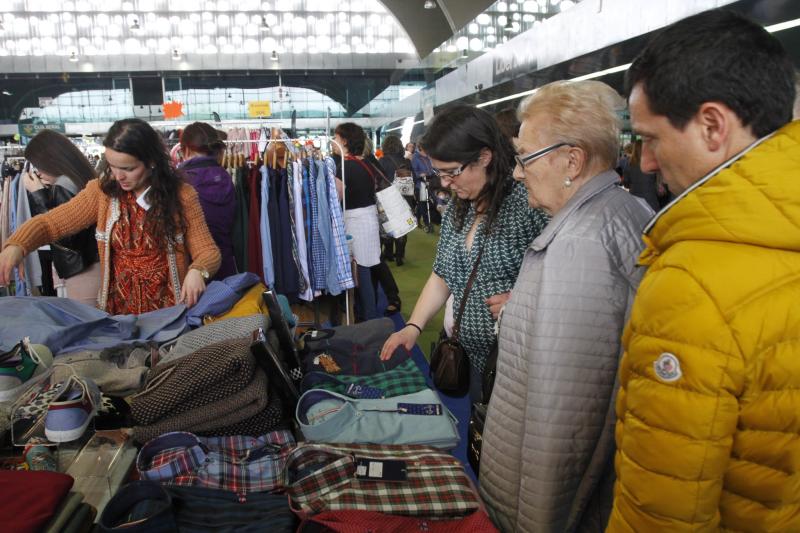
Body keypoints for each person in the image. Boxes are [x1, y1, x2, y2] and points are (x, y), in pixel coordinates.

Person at [608, 10, 799, 532]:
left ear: (713, 125)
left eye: (650, 137)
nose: (645, 163)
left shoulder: (693, 285)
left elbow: (661, 512)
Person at [478, 80, 653, 533]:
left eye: (525, 158)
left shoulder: (577, 246)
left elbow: (562, 428)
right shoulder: (622, 210)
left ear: (572, 161)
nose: (517, 173)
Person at [380, 105, 549, 400]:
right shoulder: (459, 208)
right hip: (466, 358)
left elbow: (565, 283)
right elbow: (442, 274)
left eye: (451, 172)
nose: (445, 183)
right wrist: (413, 327)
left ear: (484, 157)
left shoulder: (528, 206)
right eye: (439, 173)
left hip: (514, 364)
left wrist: (524, 300)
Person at [0, 118, 221, 314]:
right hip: (118, 317)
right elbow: (52, 223)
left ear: (152, 162)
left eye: (128, 168)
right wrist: (18, 245)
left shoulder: (183, 196)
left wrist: (197, 271)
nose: (118, 176)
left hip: (170, 315)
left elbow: (208, 251)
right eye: (112, 166)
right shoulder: (101, 192)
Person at [22, 130, 101, 306]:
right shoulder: (79, 178)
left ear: (51, 161)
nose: (39, 173)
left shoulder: (63, 185)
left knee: (87, 325)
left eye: (39, 166)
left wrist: (38, 194)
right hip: (93, 264)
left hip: (82, 270)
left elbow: (65, 236)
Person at [332, 122, 383, 321]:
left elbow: (336, 198)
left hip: (355, 222)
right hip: (369, 220)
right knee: (365, 270)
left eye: (335, 138)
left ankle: (368, 318)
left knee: (360, 272)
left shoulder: (344, 167)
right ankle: (367, 315)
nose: (333, 142)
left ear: (344, 140)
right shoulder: (366, 163)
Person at [178, 122, 237, 281]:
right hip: (225, 263)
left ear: (186, 149)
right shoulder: (226, 177)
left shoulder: (180, 182)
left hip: (193, 270)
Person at [379, 134, 414, 265]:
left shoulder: (382, 161)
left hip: (388, 198)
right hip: (405, 198)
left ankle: (389, 254)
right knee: (403, 225)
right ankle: (399, 256)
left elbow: (379, 181)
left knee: (388, 226)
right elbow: (413, 180)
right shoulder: (407, 162)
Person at [621, 139, 660, 210]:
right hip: (651, 200)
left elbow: (626, 183)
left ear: (634, 149)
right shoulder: (653, 163)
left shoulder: (629, 164)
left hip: (634, 200)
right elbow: (658, 180)